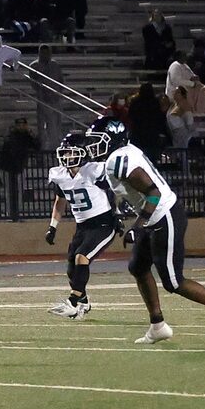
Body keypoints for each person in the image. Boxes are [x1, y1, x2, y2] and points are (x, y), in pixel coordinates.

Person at [98, 124, 205, 343]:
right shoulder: (122, 154)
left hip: (162, 216)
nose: (95, 145)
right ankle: (158, 326)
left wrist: (138, 226)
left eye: (99, 139)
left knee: (173, 281)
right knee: (138, 267)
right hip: (154, 215)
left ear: (112, 138)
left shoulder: (118, 160)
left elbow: (153, 193)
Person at [43, 126, 118, 318]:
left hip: (103, 224)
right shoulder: (59, 174)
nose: (67, 156)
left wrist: (118, 212)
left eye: (71, 152)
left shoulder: (93, 170)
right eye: (65, 152)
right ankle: (83, 303)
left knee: (81, 257)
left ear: (83, 153)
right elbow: (60, 203)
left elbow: (117, 189)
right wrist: (53, 227)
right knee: (71, 269)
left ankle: (72, 302)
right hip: (82, 227)